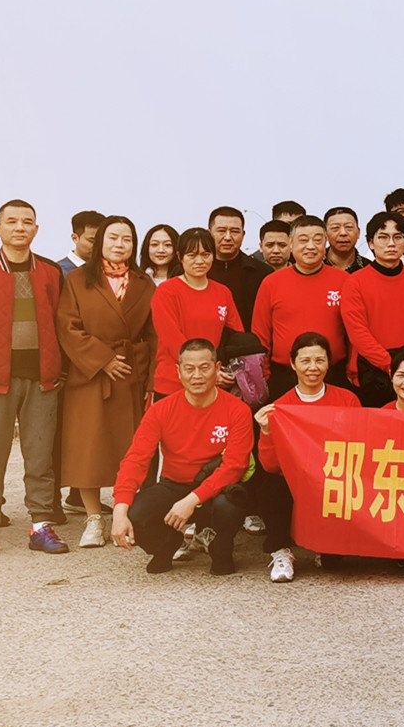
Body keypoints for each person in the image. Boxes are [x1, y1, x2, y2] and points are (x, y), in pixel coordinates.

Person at [0, 199, 71, 560]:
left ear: (36, 229)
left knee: (40, 458)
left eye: (27, 221)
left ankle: (41, 525)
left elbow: (62, 322)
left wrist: (61, 371)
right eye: (12, 221)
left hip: (42, 380)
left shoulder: (51, 272)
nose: (20, 227)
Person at [111, 338, 253, 576]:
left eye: (204, 367)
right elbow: (135, 460)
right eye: (189, 369)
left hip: (216, 488)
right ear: (178, 372)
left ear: (217, 368)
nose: (197, 375)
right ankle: (168, 544)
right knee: (136, 514)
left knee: (230, 505)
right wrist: (119, 511)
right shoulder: (160, 410)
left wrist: (192, 500)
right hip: (173, 484)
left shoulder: (238, 410)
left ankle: (220, 545)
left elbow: (235, 466)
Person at [57, 216, 157, 536]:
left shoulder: (144, 283)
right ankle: (93, 517)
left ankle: (122, 513)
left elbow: (154, 335)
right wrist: (103, 359)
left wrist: (150, 380)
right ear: (101, 241)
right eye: (113, 237)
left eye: (126, 239)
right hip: (90, 375)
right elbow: (68, 326)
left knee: (129, 449)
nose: (119, 244)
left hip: (130, 372)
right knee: (88, 449)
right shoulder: (78, 279)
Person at [251, 332, 362, 582]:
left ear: (329, 363)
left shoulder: (347, 400)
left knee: (333, 564)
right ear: (293, 364)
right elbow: (270, 466)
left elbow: (360, 450)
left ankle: (326, 546)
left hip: (334, 482)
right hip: (296, 483)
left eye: (320, 360)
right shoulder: (280, 407)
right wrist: (266, 432)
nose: (313, 367)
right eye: (305, 361)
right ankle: (281, 550)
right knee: (270, 488)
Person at [250, 214, 355, 398]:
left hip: (333, 374)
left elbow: (354, 331)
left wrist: (352, 368)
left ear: (325, 243)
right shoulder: (271, 283)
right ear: (291, 243)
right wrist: (264, 375)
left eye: (317, 240)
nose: (311, 246)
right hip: (284, 376)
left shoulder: (344, 281)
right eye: (303, 240)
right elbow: (261, 333)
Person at [340, 211, 404, 406]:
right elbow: (358, 332)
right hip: (371, 372)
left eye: (398, 237)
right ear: (371, 243)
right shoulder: (355, 282)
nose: (391, 244)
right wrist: (390, 365)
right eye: (383, 237)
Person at [149, 228, 239, 403]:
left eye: (206, 254)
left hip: (212, 384)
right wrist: (205, 371)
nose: (199, 261)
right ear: (180, 256)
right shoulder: (166, 292)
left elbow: (236, 335)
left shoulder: (223, 292)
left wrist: (226, 371)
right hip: (173, 382)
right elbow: (171, 339)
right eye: (192, 255)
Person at [206, 207, 272, 327]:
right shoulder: (195, 271)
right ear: (209, 233)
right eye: (221, 231)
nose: (227, 237)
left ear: (243, 234)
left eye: (234, 231)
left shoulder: (262, 273)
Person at [322, 206, 371, 274]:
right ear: (325, 234)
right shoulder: (314, 266)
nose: (343, 233)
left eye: (349, 227)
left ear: (358, 233)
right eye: (335, 228)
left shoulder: (369, 269)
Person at [58, 210, 103, 275]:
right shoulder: (58, 271)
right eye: (92, 241)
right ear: (75, 238)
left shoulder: (108, 270)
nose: (98, 245)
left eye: (101, 240)